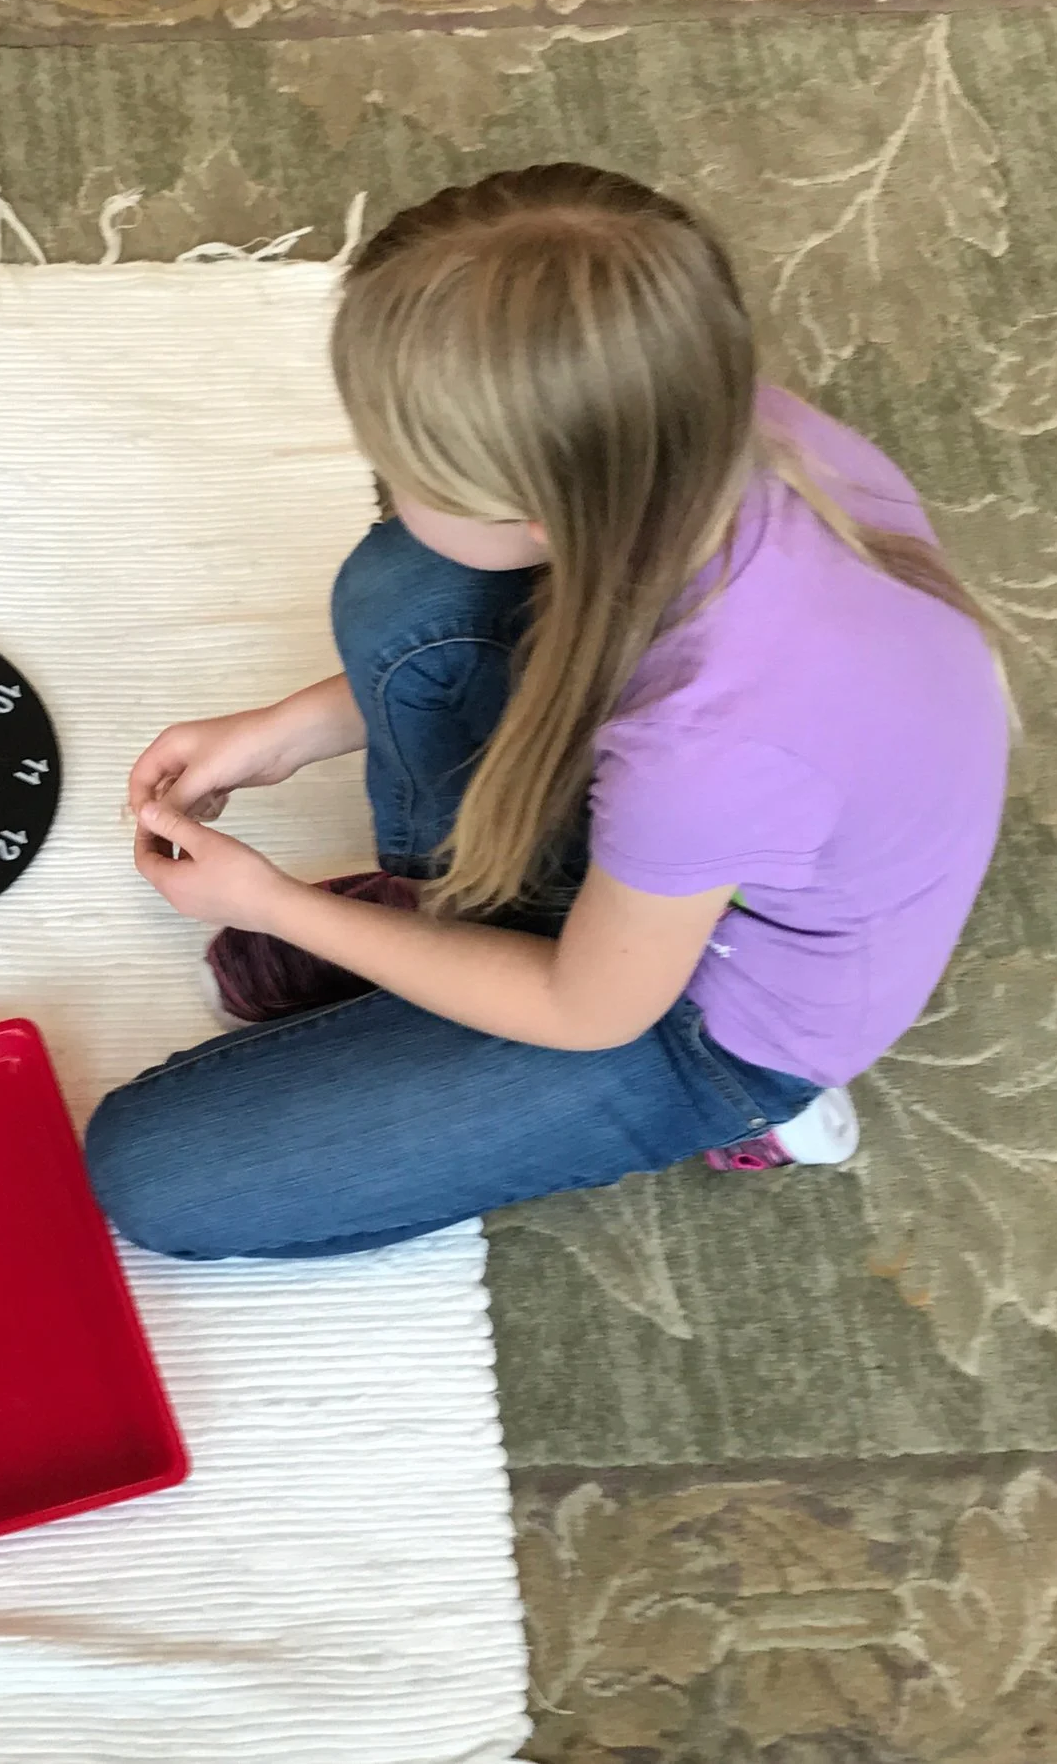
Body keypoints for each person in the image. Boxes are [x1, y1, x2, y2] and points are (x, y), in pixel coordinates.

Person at [85, 163, 1007, 1260]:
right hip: (715, 839)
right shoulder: (701, 420)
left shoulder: (708, 749)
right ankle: (453, 927)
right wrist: (285, 729)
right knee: (408, 588)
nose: (387, 487)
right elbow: (575, 652)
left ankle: (757, 1115)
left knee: (154, 1175)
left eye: (404, 473)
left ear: (539, 512)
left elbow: (592, 1010)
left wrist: (278, 904)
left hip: (710, 1019)